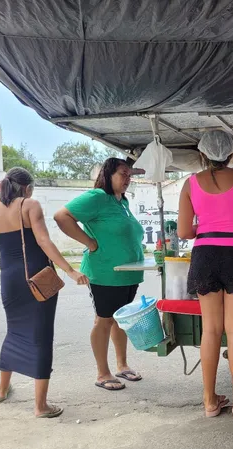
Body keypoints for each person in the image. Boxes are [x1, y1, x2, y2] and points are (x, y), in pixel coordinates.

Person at [0, 167, 89, 418]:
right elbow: (44, 241)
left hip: (8, 278)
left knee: (14, 331)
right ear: (28, 187)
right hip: (36, 276)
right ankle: (40, 406)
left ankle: (1, 390)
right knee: (41, 336)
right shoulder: (29, 205)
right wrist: (70, 271)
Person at [177, 130, 233, 419]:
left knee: (210, 330)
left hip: (205, 255)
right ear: (230, 154)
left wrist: (207, 226)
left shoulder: (190, 184)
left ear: (202, 154)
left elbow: (183, 231)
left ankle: (210, 402)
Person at [54, 158, 145, 391]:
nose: (128, 179)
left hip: (127, 273)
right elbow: (61, 216)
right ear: (108, 174)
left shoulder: (122, 201)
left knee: (119, 319)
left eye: (129, 175)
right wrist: (90, 243)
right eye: (123, 174)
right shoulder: (97, 197)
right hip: (104, 272)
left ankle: (122, 366)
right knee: (104, 320)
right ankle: (102, 373)